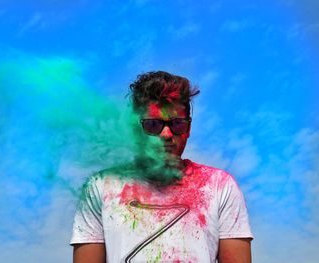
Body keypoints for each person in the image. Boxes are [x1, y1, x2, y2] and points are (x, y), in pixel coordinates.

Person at [70, 71, 253, 263]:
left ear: (188, 129)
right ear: (135, 129)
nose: (166, 134)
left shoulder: (219, 186)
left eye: (177, 124)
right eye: (153, 124)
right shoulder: (101, 186)